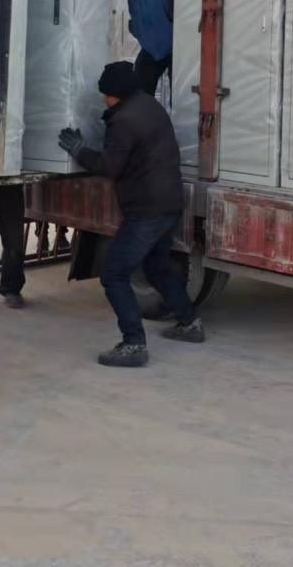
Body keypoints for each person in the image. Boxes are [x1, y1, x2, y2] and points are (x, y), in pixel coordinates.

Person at [59, 61, 203, 367]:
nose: (104, 100)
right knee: (157, 266)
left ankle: (134, 343)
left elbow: (110, 166)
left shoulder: (124, 121)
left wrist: (80, 151)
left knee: (114, 274)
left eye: (106, 95)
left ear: (117, 94)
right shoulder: (149, 105)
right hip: (169, 203)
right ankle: (190, 322)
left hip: (146, 209)